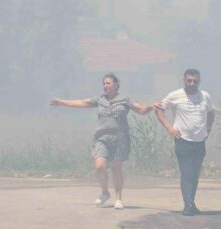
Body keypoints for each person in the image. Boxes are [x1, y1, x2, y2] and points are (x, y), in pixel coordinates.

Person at [50, 73, 155, 209]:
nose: (105, 86)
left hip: (120, 139)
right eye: (104, 83)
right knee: (100, 166)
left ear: (116, 85)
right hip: (102, 138)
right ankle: (105, 193)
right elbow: (82, 102)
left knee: (116, 168)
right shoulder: (100, 99)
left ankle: (118, 199)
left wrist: (153, 106)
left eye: (108, 83)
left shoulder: (125, 99)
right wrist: (62, 102)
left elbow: (141, 110)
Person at [155, 69, 215, 216]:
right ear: (184, 80)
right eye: (189, 80)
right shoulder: (175, 95)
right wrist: (169, 127)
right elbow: (159, 109)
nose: (192, 83)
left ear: (199, 81)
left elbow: (211, 112)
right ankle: (188, 205)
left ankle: (191, 203)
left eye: (195, 81)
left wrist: (208, 128)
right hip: (182, 141)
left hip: (199, 141)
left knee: (194, 174)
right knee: (187, 173)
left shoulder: (205, 96)